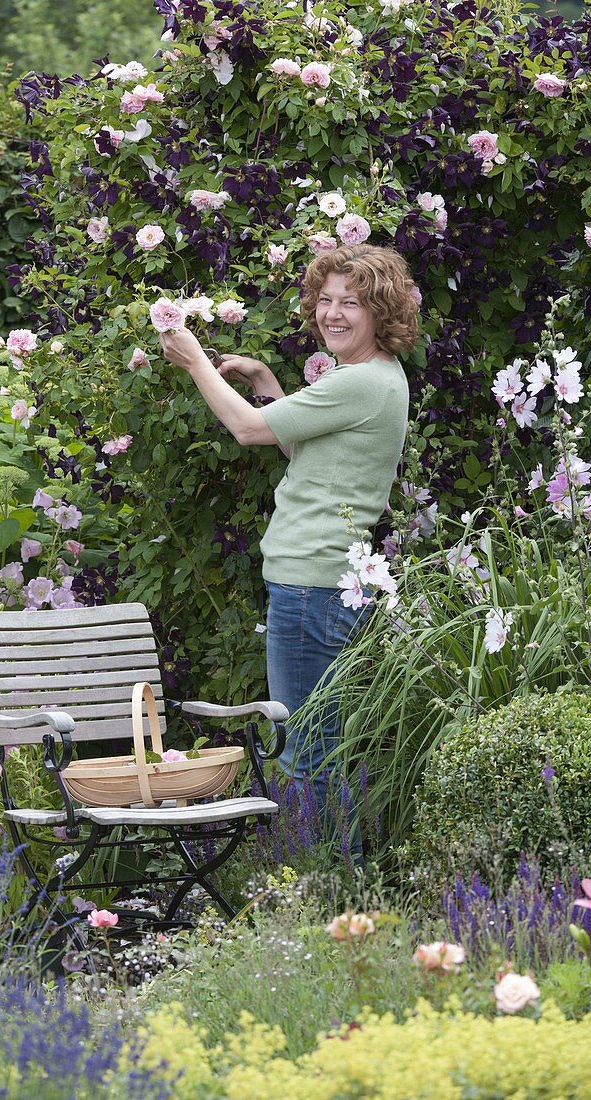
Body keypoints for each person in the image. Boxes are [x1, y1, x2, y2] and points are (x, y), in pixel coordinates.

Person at [159, 243, 419, 861]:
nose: (333, 313)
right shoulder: (375, 382)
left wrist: (194, 359)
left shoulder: (361, 382)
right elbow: (308, 456)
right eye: (325, 299)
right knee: (321, 742)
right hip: (325, 584)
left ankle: (326, 888)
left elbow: (248, 432)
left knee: (305, 750)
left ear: (380, 311)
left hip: (310, 587)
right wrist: (270, 386)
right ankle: (338, 886)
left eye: (350, 303)